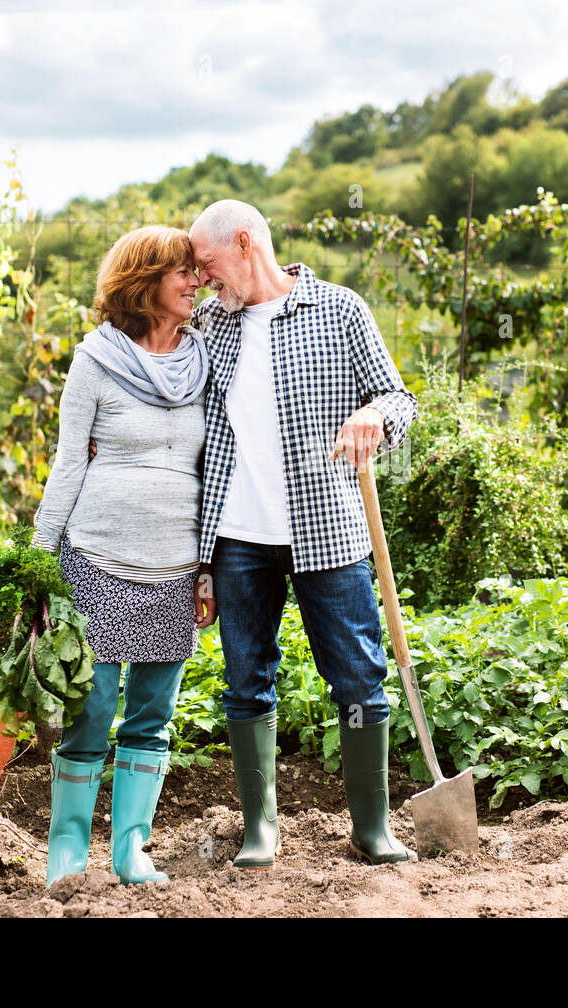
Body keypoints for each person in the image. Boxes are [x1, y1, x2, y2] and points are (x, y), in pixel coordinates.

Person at [188, 199, 417, 868]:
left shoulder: (340, 311)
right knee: (244, 679)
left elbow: (399, 397)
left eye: (208, 263)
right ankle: (261, 829)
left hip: (329, 532)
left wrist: (375, 415)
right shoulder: (209, 324)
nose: (203, 279)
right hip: (237, 538)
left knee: (357, 678)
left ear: (244, 242)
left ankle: (370, 829)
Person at [32, 225, 216, 888]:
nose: (196, 283)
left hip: (175, 565)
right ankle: (67, 849)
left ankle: (131, 848)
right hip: (97, 555)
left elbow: (217, 464)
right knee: (91, 707)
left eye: (197, 273)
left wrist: (211, 565)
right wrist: (39, 562)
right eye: (183, 273)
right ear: (147, 281)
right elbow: (66, 463)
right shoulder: (95, 359)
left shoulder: (203, 358)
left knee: (152, 714)